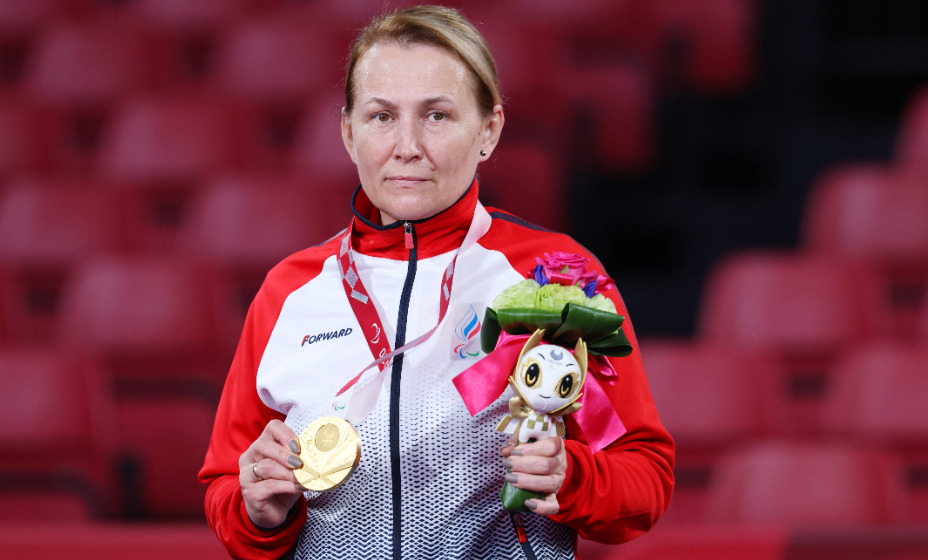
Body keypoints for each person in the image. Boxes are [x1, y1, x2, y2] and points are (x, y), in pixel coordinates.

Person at [199, 5, 674, 559]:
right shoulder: (290, 290)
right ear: (348, 133)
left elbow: (645, 475)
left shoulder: (557, 275)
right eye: (381, 116)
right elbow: (226, 488)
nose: (407, 146)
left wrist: (572, 478)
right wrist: (257, 511)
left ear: (489, 130)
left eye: (437, 116)